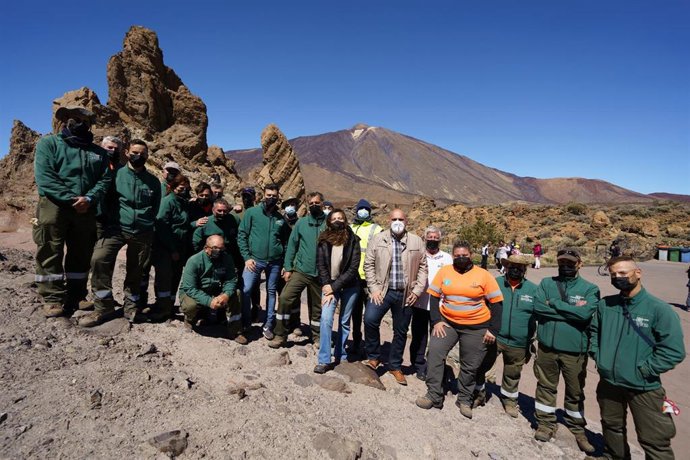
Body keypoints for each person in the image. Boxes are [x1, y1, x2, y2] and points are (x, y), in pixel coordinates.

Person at [591, 256, 685, 460]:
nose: (618, 277)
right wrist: (600, 358)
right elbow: (593, 334)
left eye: (623, 273)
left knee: (654, 440)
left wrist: (645, 370)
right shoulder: (606, 305)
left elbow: (674, 350)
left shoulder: (659, 309)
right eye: (614, 274)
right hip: (609, 382)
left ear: (638, 273)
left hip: (643, 387)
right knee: (611, 426)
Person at [33, 106, 112, 318]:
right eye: (75, 118)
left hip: (86, 209)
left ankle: (77, 295)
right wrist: (71, 199)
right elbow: (45, 176)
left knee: (81, 253)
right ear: (66, 119)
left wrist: (89, 198)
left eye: (84, 120)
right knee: (51, 249)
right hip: (54, 206)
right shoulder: (48, 144)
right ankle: (52, 298)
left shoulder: (99, 153)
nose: (79, 122)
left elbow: (104, 180)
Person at [415, 241, 503, 419]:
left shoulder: (483, 275)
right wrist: (436, 321)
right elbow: (433, 296)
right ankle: (434, 395)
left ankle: (464, 399)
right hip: (448, 323)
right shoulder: (445, 271)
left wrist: (493, 330)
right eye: (457, 256)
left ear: (471, 255)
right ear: (453, 256)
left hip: (476, 327)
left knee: (469, 364)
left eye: (464, 255)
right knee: (434, 353)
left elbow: (497, 304)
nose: (461, 258)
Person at [80, 139, 161, 327]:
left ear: (147, 155)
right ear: (126, 153)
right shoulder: (115, 175)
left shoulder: (153, 182)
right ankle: (103, 307)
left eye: (142, 153)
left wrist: (147, 222)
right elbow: (104, 199)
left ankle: (130, 309)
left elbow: (155, 207)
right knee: (99, 259)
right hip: (116, 228)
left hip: (142, 232)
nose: (138, 156)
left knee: (136, 271)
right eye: (134, 152)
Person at [533, 248, 600, 453]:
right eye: (562, 262)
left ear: (579, 263)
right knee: (546, 386)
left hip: (574, 351)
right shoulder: (546, 283)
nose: (565, 266)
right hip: (547, 348)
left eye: (570, 263)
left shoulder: (590, 288)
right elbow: (537, 308)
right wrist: (572, 312)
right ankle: (545, 423)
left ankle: (577, 428)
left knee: (575, 391)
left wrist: (554, 304)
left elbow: (585, 315)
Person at [363, 208, 428, 385]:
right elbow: (368, 264)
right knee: (369, 320)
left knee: (400, 331)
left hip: (406, 294)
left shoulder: (416, 241)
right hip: (383, 292)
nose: (397, 222)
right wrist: (374, 288)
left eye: (401, 219)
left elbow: (423, 267)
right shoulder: (379, 239)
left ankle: (395, 366)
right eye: (394, 219)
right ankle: (374, 357)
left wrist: (417, 291)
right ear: (388, 221)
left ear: (406, 221)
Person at [269, 192, 328, 348]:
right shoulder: (301, 224)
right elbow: (292, 246)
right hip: (301, 270)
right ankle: (280, 334)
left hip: (320, 273)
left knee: (317, 307)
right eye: (311, 203)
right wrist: (288, 268)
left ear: (322, 204)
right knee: (285, 298)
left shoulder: (328, 224)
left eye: (317, 202)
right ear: (307, 205)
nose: (314, 205)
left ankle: (317, 337)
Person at [481, 254, 537, 417]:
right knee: (483, 366)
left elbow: (539, 314)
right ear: (506, 267)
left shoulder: (533, 289)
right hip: (494, 336)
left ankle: (510, 401)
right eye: (512, 266)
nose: (515, 270)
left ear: (525, 270)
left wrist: (532, 341)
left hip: (519, 342)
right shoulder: (495, 283)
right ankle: (478, 394)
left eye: (520, 268)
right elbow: (483, 306)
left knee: (512, 374)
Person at [237, 184, 290, 343]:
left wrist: (286, 263)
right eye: (268, 195)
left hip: (274, 262)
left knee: (271, 291)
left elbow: (287, 242)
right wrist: (246, 257)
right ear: (263, 195)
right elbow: (242, 235)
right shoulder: (252, 213)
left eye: (274, 195)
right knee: (246, 290)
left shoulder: (280, 219)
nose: (271, 198)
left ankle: (268, 324)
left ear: (278, 197)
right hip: (254, 260)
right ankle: (246, 322)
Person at [314, 209, 361, 373]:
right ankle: (324, 359)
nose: (337, 221)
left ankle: (341, 353)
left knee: (344, 321)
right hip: (329, 285)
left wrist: (334, 287)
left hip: (349, 286)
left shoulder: (354, 240)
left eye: (340, 218)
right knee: (326, 319)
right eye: (334, 218)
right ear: (328, 221)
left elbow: (353, 268)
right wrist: (328, 286)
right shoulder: (323, 240)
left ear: (345, 220)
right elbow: (321, 265)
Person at [148, 174, 195, 321]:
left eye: (186, 188)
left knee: (176, 277)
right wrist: (172, 249)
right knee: (165, 277)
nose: (184, 191)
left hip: (180, 247)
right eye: (181, 188)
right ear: (173, 188)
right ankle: (162, 307)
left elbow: (184, 225)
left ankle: (169, 306)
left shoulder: (183, 203)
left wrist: (195, 223)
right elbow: (162, 227)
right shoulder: (167, 202)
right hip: (166, 247)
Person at [409, 226, 452, 381]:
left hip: (439, 305)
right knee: (419, 336)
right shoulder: (418, 255)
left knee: (438, 338)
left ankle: (435, 366)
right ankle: (418, 364)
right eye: (430, 237)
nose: (432, 240)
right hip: (420, 302)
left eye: (435, 238)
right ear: (424, 238)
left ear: (439, 240)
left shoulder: (447, 258)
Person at [179, 235, 240, 337]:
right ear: (206, 248)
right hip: (196, 291)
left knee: (236, 294)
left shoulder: (227, 258)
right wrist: (209, 301)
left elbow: (231, 280)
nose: (219, 251)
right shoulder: (194, 261)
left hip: (216, 290)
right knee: (191, 305)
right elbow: (190, 288)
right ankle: (189, 319)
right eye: (215, 248)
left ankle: (235, 330)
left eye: (221, 248)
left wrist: (226, 294)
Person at [349, 198, 383, 357]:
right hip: (353, 278)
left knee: (371, 317)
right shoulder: (350, 228)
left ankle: (372, 350)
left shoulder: (377, 229)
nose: (363, 212)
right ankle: (356, 343)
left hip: (370, 280)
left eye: (366, 209)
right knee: (355, 314)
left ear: (369, 212)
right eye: (360, 209)